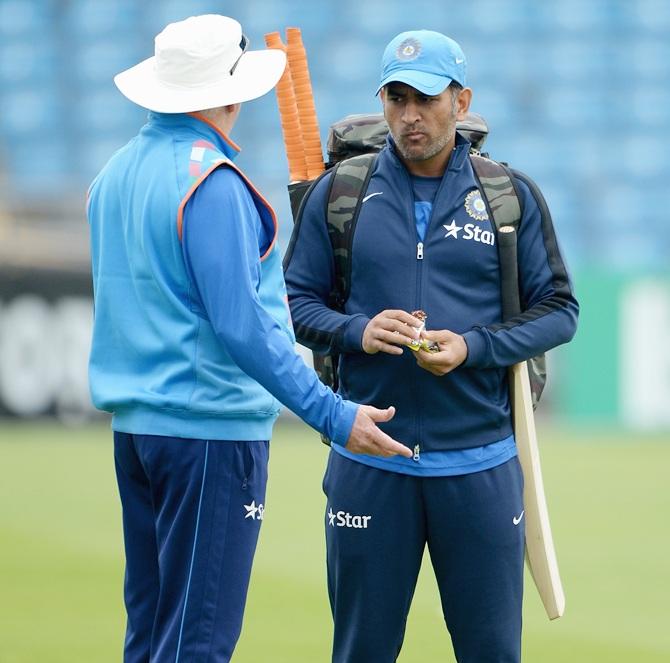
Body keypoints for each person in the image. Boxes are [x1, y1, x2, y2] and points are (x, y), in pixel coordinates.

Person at [86, 14, 412, 663]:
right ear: (231, 93)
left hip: (138, 431)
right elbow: (245, 328)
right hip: (207, 435)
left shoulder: (114, 174)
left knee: (151, 633)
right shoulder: (213, 184)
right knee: (199, 640)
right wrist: (332, 412)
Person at [283, 29, 579, 663]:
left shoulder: (509, 196)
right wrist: (357, 330)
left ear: (462, 100)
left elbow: (559, 311)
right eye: (395, 98)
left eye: (425, 98)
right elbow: (296, 303)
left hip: (480, 468)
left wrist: (472, 348)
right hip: (369, 462)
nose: (409, 116)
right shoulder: (341, 193)